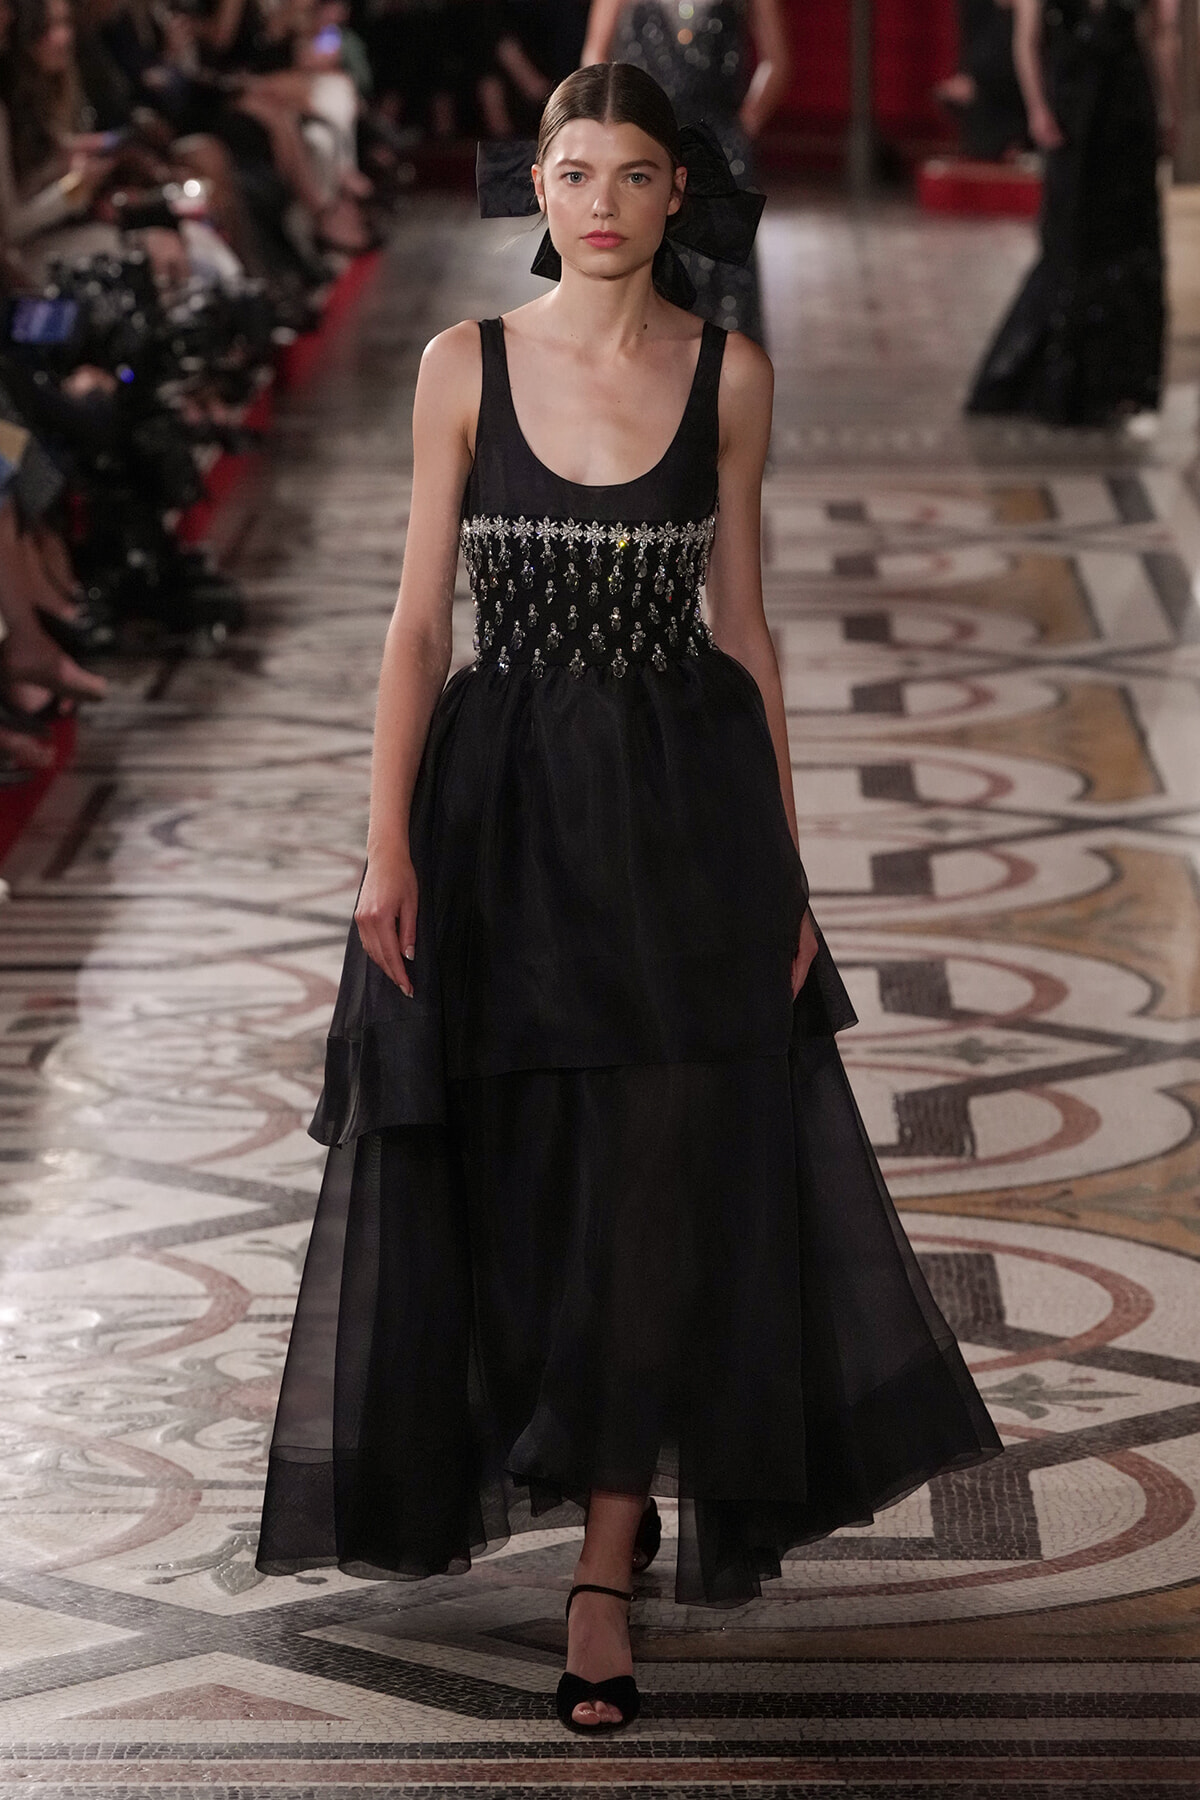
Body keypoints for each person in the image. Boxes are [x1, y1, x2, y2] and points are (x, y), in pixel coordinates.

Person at [255, 62, 1002, 1735]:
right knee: (517, 1171)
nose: (598, 198)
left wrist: (788, 864)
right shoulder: (466, 366)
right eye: (571, 168)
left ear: (680, 198)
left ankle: (606, 1563)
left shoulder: (731, 374)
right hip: (498, 813)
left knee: (657, 1183)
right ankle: (576, 1467)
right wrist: (387, 844)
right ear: (534, 185)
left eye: (634, 172)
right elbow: (412, 621)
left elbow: (745, 626)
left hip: (681, 819)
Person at [966, 0, 1176, 426]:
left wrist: (1168, 110)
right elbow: (1026, 41)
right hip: (1072, 106)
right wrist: (1037, 108)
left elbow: (1160, 33)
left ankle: (1120, 383)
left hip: (1127, 103)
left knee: (1129, 239)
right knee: (1070, 238)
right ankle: (1063, 382)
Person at [581, 0, 790, 343]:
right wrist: (613, 126)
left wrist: (743, 128)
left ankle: (721, 384)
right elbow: (594, 57)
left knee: (728, 291)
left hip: (720, 153)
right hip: (642, 145)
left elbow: (777, 61)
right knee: (646, 269)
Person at [935, 0, 1029, 160]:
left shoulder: (1029, 10)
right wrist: (965, 77)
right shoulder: (975, 7)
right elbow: (968, 46)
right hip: (984, 88)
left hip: (1017, 91)